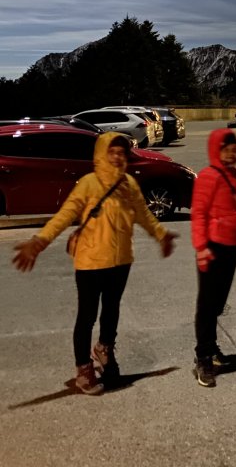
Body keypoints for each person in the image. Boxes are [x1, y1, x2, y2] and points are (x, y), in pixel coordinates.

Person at [12, 132, 177, 395]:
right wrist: (40, 241)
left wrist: (161, 235)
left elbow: (143, 214)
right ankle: (83, 368)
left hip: (121, 260)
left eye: (122, 153)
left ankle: (104, 348)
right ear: (101, 154)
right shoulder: (89, 183)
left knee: (111, 310)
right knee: (87, 316)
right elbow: (65, 215)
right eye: (112, 152)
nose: (117, 157)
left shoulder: (128, 184)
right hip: (90, 262)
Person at [191, 127, 236, 388]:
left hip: (231, 246)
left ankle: (212, 348)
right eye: (226, 149)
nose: (231, 154)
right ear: (216, 150)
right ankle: (203, 357)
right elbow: (199, 214)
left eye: (234, 150)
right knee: (207, 303)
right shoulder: (208, 176)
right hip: (212, 246)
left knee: (218, 302)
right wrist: (201, 247)